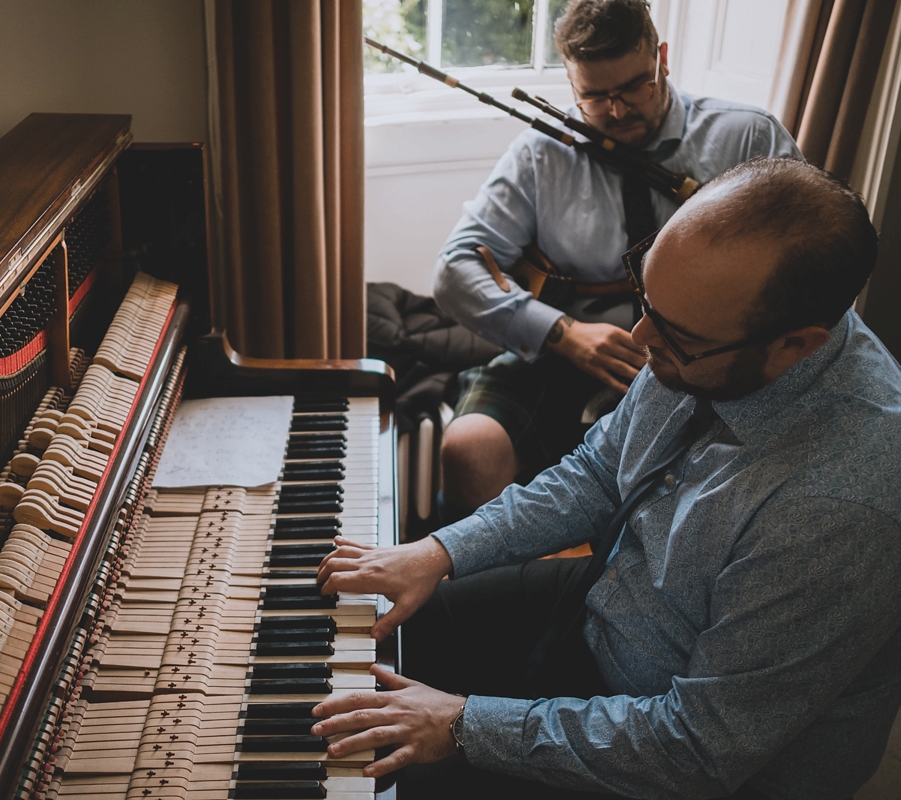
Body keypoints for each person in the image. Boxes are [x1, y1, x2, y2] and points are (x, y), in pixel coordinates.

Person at [313, 157, 901, 799]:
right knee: (355, 629)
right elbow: (599, 470)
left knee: (388, 778)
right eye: (646, 298)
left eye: (673, 334)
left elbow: (700, 748)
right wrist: (439, 550)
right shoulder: (708, 333)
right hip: (616, 602)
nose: (640, 336)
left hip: (694, 754)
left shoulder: (841, 507)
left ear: (795, 346)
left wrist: (462, 724)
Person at [435, 0, 802, 519]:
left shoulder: (748, 137)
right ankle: (499, 594)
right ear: (570, 82)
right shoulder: (540, 152)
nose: (616, 111)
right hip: (570, 355)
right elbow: (455, 270)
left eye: (635, 86)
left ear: (662, 58)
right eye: (594, 96)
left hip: (702, 366)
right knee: (468, 448)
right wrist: (561, 333)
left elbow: (804, 260)